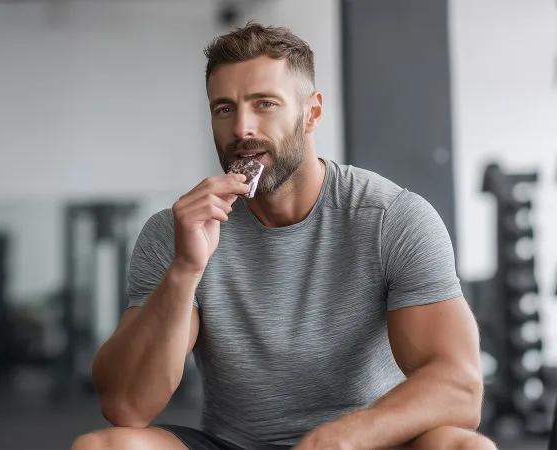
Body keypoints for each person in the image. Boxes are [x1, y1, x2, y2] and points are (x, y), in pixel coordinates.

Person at [72, 22, 496, 450]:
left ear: (311, 112)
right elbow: (126, 405)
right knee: (103, 447)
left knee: (466, 448)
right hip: (234, 444)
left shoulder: (392, 218)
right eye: (224, 109)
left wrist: (342, 437)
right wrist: (185, 270)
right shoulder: (176, 231)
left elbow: (459, 385)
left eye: (265, 104)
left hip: (366, 443)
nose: (242, 128)